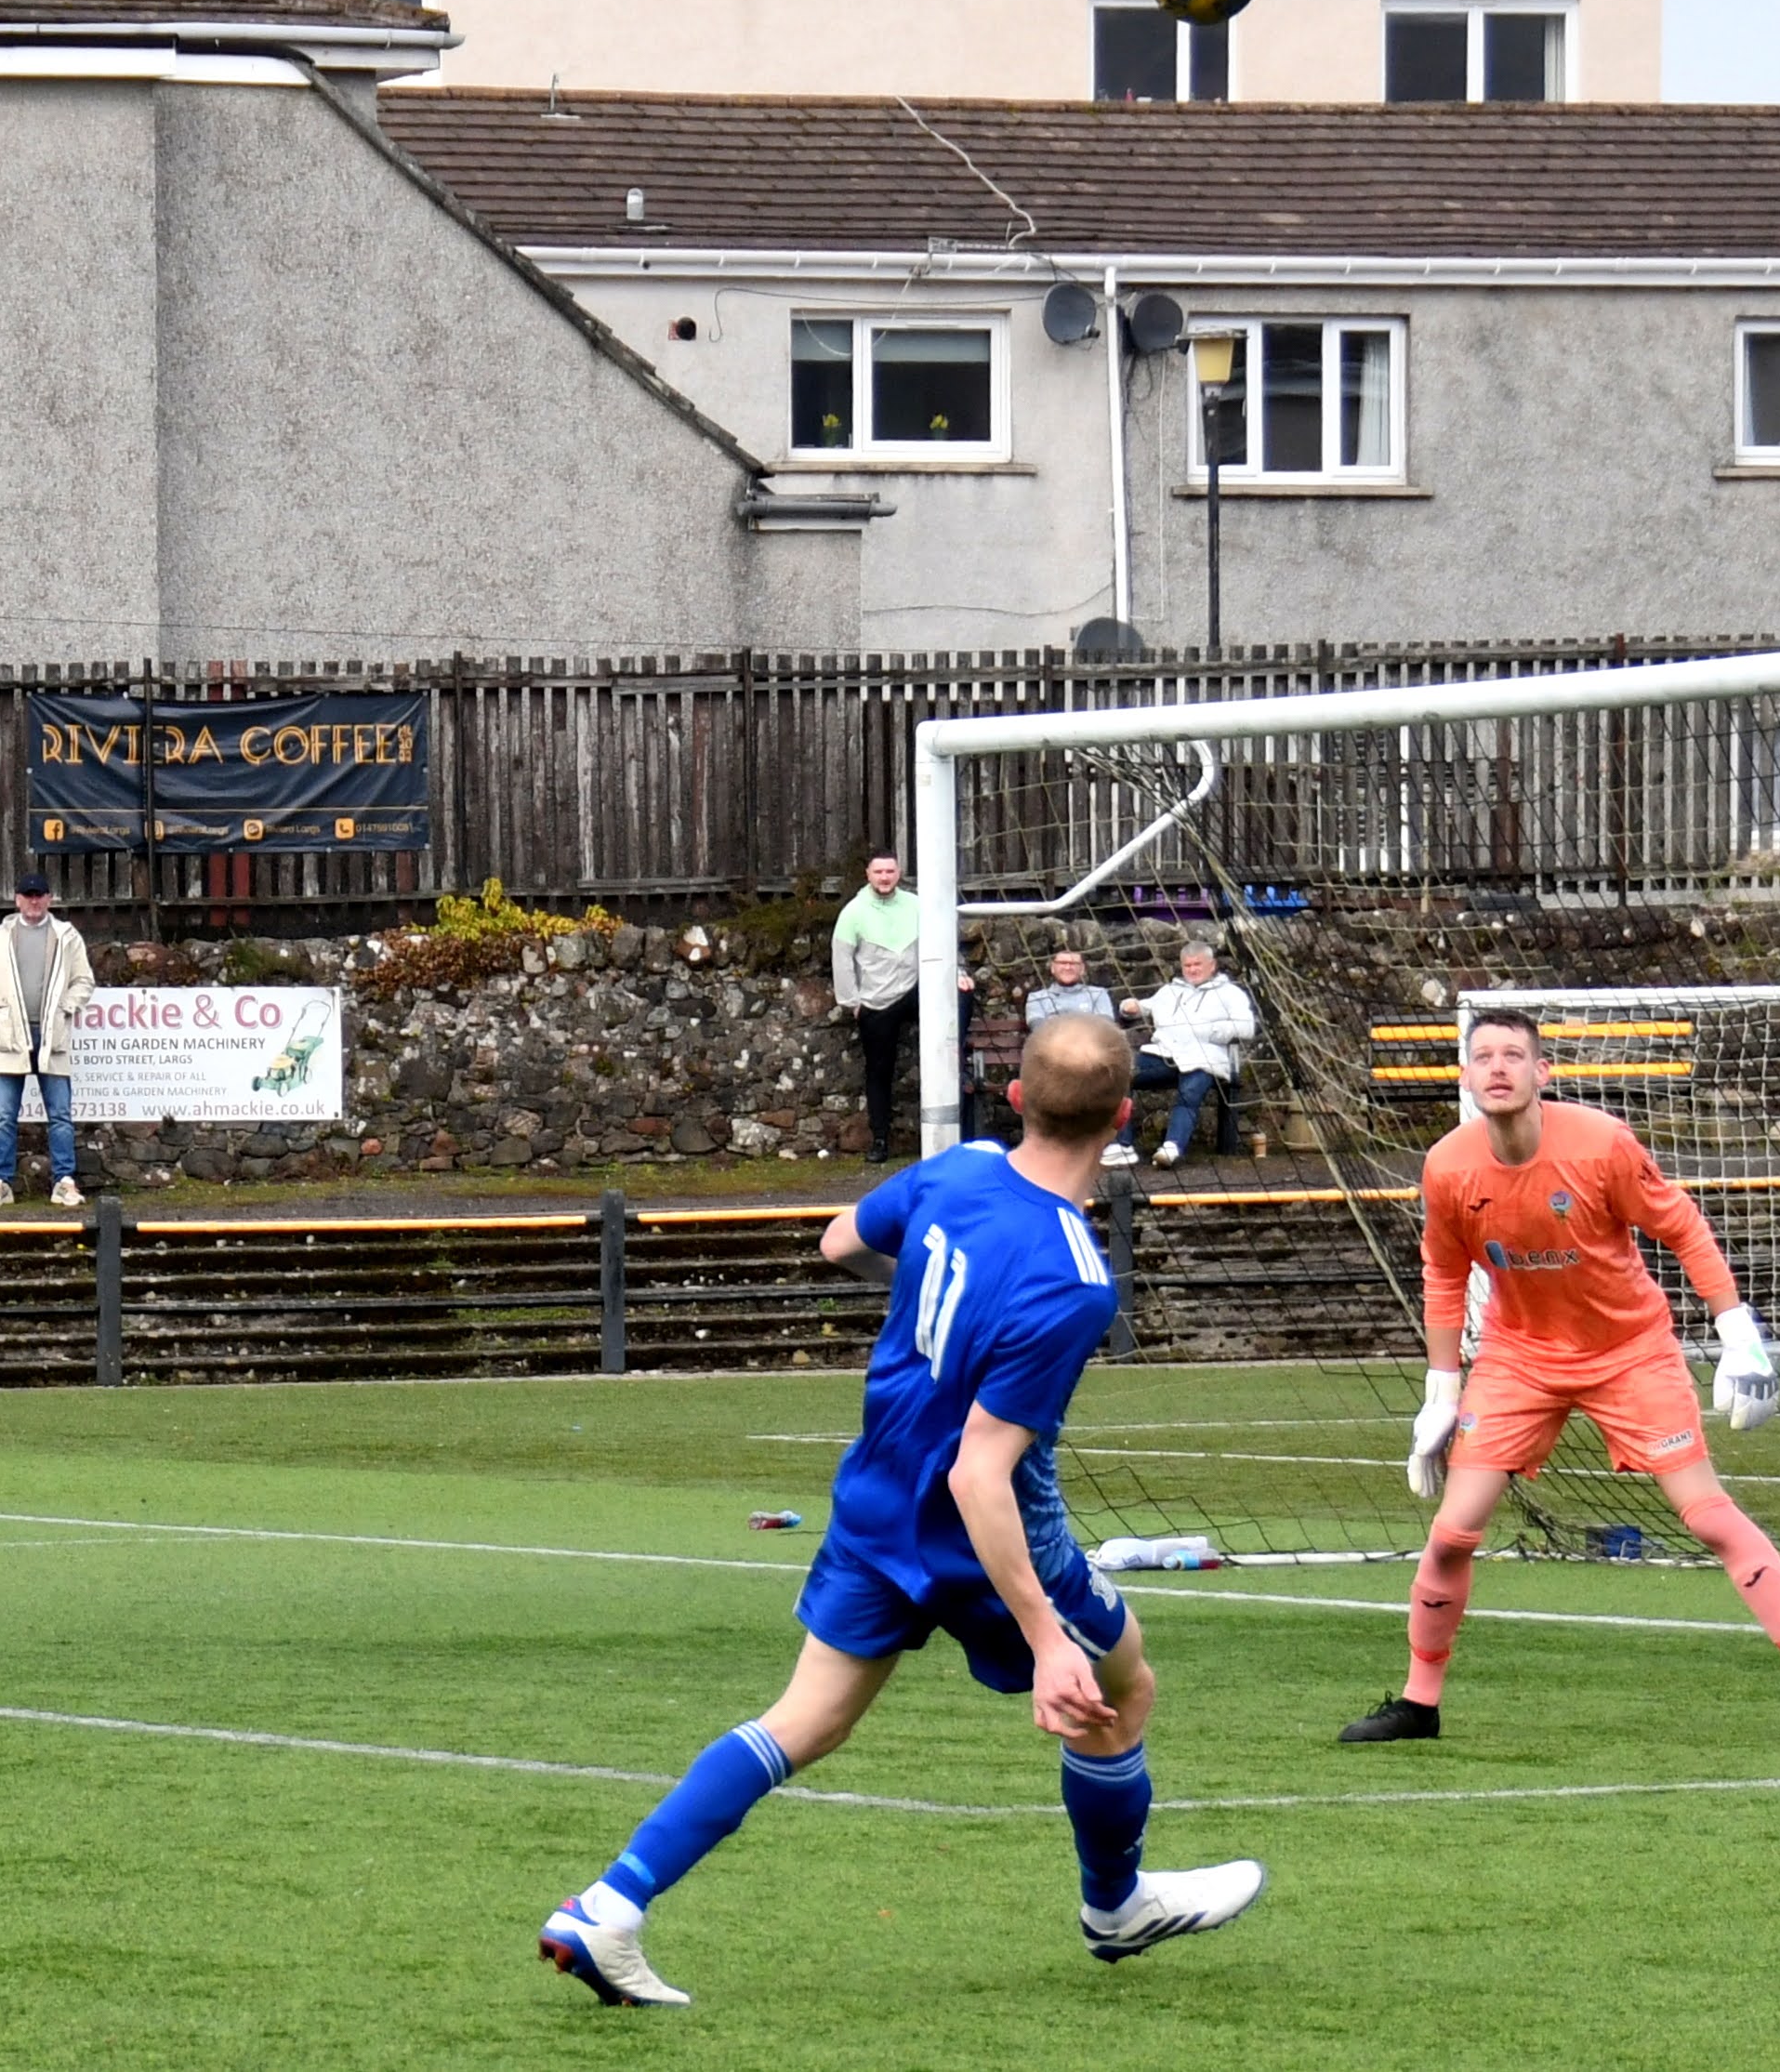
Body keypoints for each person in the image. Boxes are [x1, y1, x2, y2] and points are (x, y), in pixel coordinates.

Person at [537, 1013, 1266, 2009]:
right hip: (981, 1532)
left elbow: (840, 1240)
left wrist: (925, 1293)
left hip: (875, 1500)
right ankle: (1116, 1905)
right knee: (1122, 1684)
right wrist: (1045, 1637)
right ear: (1125, 1119)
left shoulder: (959, 1167)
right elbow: (979, 1475)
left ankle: (610, 1904)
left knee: (802, 1720)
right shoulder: (1075, 1278)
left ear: (1016, 1097)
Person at [1338, 1008, 1780, 1749]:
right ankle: (1418, 1705)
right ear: (1464, 1076)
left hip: (1629, 1351)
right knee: (1452, 1533)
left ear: (1541, 1072)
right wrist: (1441, 1391)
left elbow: (1681, 1227)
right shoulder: (1447, 1165)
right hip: (1518, 1357)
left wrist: (1738, 1336)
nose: (1497, 1067)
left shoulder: (1600, 1143)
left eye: (1512, 1055)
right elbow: (1443, 1275)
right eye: (1482, 1056)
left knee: (1708, 1517)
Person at [0, 872, 94, 1208]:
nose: (34, 901)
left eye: (39, 895)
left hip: (53, 1036)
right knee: (4, 1116)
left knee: (60, 1115)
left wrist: (66, 1007)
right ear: (18, 900)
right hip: (10, 1036)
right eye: (28, 895)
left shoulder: (67, 936)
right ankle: (0, 1183)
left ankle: (64, 1182)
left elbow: (83, 981)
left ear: (49, 899)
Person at [1117, 939, 1253, 1167]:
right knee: (1119, 1077)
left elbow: (1247, 1027)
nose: (1193, 970)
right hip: (1163, 1055)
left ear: (1212, 965)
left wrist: (1210, 1031)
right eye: (1188, 965)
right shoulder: (1169, 991)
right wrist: (1129, 1007)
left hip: (1205, 1058)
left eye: (1198, 964)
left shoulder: (1231, 993)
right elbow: (1144, 1006)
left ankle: (1172, 1147)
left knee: (1189, 1093)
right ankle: (1122, 1145)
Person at [834, 854, 921, 1162]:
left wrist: (957, 974)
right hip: (876, 1001)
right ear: (868, 874)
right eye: (879, 871)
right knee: (879, 1071)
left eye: (890, 871)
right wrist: (852, 1002)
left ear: (899, 873)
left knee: (961, 995)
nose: (885, 877)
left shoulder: (916, 905)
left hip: (915, 991)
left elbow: (942, 941)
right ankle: (880, 1140)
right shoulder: (853, 912)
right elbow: (842, 960)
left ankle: (954, 1128)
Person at [1025, 947, 1118, 1028]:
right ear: (1053, 968)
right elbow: (1039, 1030)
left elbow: (1105, 1027)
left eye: (1073, 963)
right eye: (1062, 963)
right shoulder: (1037, 998)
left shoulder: (1098, 994)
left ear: (1082, 969)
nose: (1068, 967)